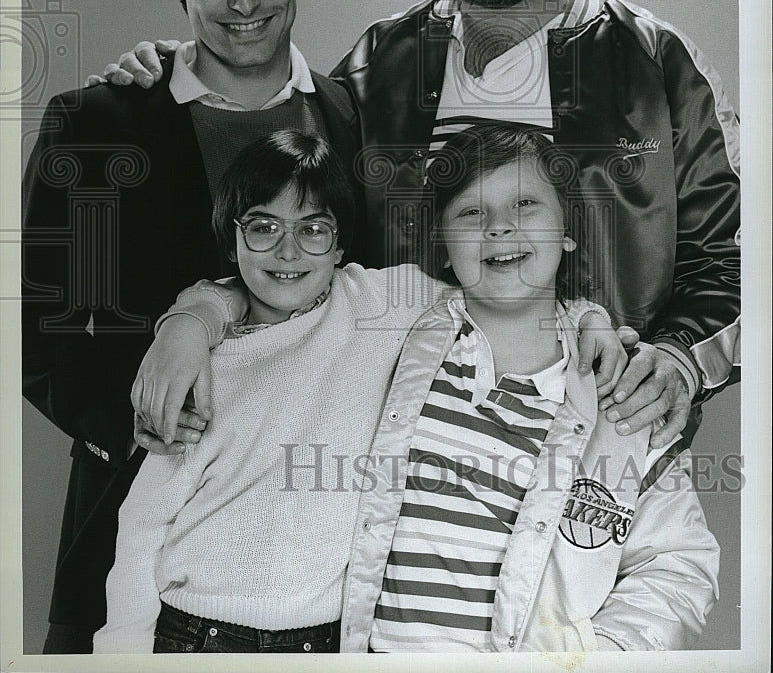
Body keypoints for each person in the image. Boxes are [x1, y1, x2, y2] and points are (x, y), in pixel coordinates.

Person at [105, 0, 740, 450]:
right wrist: (179, 78)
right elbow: (291, 242)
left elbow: (736, 261)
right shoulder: (376, 68)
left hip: (604, 474)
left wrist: (678, 358)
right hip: (402, 490)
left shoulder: (655, 63)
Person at [133, 124, 719, 653]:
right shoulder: (396, 322)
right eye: (470, 213)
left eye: (525, 204)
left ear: (567, 230)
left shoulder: (625, 388)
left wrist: (597, 658)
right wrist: (188, 323)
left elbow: (679, 563)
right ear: (442, 241)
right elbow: (281, 290)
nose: (500, 227)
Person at [22, 0, 364, 653]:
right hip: (136, 530)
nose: (242, 4)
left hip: (312, 565)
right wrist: (153, 432)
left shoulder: (351, 117)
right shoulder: (100, 123)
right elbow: (44, 339)